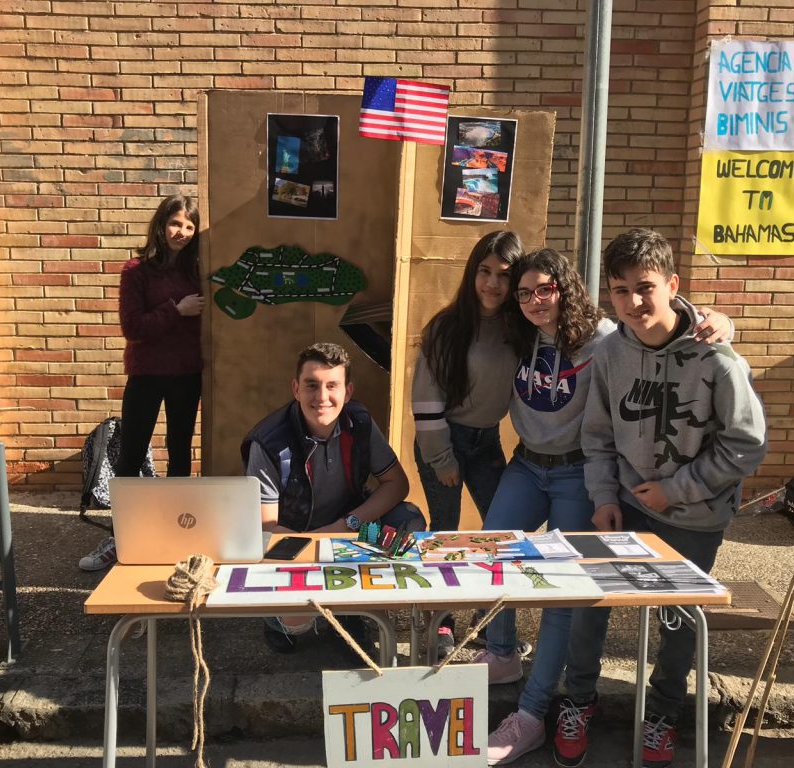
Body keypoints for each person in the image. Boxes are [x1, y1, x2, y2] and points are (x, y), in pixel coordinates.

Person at [484, 242, 736, 766]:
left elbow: (665, 327)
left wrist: (719, 320)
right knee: (493, 553)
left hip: (582, 474)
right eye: (524, 293)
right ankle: (505, 654)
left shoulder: (605, 339)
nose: (534, 301)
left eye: (544, 290)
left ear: (566, 289)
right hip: (530, 464)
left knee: (570, 593)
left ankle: (536, 712)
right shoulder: (517, 332)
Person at [553, 228, 766, 768]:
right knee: (590, 604)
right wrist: (604, 496)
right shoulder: (610, 352)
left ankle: (663, 714)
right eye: (620, 290)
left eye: (645, 287)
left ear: (672, 285)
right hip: (626, 506)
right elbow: (597, 434)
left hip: (695, 516)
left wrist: (676, 490)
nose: (634, 302)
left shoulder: (717, 359)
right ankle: (578, 700)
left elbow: (747, 444)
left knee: (677, 623)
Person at [242, 342, 426, 652]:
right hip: (296, 538)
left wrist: (346, 525)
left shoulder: (360, 422)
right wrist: (320, 541)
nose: (322, 396)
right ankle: (280, 617)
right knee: (297, 626)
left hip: (349, 530)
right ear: (296, 389)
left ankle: (354, 607)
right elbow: (267, 527)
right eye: (311, 385)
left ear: (348, 391)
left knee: (408, 521)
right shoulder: (269, 441)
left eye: (332, 386)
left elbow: (397, 484)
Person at [411, 230, 523, 657]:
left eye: (504, 275)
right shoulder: (447, 327)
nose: (492, 283)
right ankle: (439, 622)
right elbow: (426, 398)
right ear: (472, 273)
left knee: (499, 531)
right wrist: (441, 457)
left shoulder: (518, 327)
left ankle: (486, 619)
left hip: (486, 441)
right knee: (444, 532)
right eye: (484, 271)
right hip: (444, 438)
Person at [79, 194, 205, 572]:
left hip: (187, 374)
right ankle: (122, 536)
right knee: (131, 454)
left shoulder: (199, 270)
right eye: (175, 223)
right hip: (146, 374)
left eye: (189, 226)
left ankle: (177, 531)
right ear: (161, 225)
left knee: (180, 452)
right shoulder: (136, 271)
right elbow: (132, 328)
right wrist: (176, 310)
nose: (181, 232)